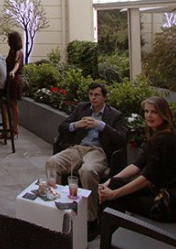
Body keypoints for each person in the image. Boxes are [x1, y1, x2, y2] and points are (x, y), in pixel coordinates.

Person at [46, 82, 127, 237]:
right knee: (52, 163)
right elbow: (62, 127)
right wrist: (77, 125)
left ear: (105, 97)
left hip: (97, 151)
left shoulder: (114, 115)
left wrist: (101, 125)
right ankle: (57, 206)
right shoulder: (82, 108)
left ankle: (91, 219)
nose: (93, 98)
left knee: (87, 171)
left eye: (96, 95)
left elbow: (121, 139)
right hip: (77, 148)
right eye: (90, 94)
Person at [98, 96, 176, 221]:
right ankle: (105, 225)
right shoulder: (158, 137)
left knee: (116, 197)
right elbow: (136, 165)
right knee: (114, 183)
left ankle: (105, 227)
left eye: (154, 112)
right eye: (146, 111)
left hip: (167, 203)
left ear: (163, 115)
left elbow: (147, 178)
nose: (149, 116)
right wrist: (110, 181)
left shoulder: (164, 140)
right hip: (157, 192)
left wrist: (114, 194)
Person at [2, 31, 25, 140]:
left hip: (14, 81)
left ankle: (14, 129)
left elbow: (17, 63)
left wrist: (13, 72)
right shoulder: (11, 51)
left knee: (13, 104)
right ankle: (7, 129)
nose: (7, 41)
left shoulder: (18, 52)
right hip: (10, 80)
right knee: (7, 105)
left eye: (9, 39)